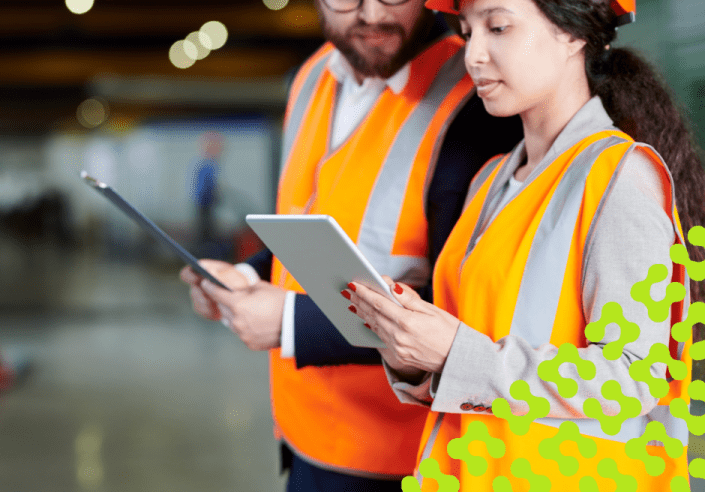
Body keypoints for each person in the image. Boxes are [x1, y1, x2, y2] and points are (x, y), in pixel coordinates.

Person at [345, 0, 705, 489]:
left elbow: (633, 380)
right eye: (468, 32)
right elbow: (478, 347)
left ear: (574, 34)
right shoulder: (490, 180)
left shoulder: (620, 179)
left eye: (498, 27)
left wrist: (456, 351)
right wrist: (412, 353)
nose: (474, 55)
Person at [179, 0, 521, 489]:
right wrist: (247, 275)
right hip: (305, 437)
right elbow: (309, 223)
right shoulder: (312, 77)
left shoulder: (477, 103)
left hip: (404, 456)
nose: (371, 13)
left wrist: (291, 322)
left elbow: (463, 310)